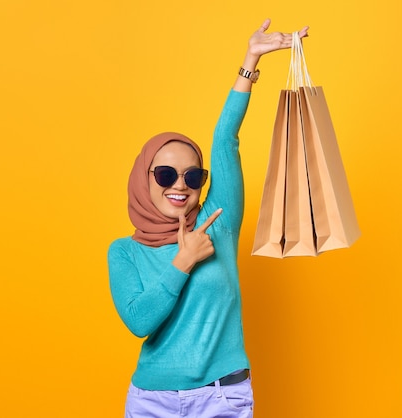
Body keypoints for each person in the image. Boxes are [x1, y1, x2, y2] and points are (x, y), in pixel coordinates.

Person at [108, 19, 309, 418]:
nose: (179, 185)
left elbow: (225, 139)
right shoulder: (124, 252)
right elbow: (139, 321)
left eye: (192, 176)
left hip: (222, 398)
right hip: (152, 401)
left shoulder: (220, 221)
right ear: (142, 179)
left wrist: (249, 60)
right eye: (165, 175)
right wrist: (183, 261)